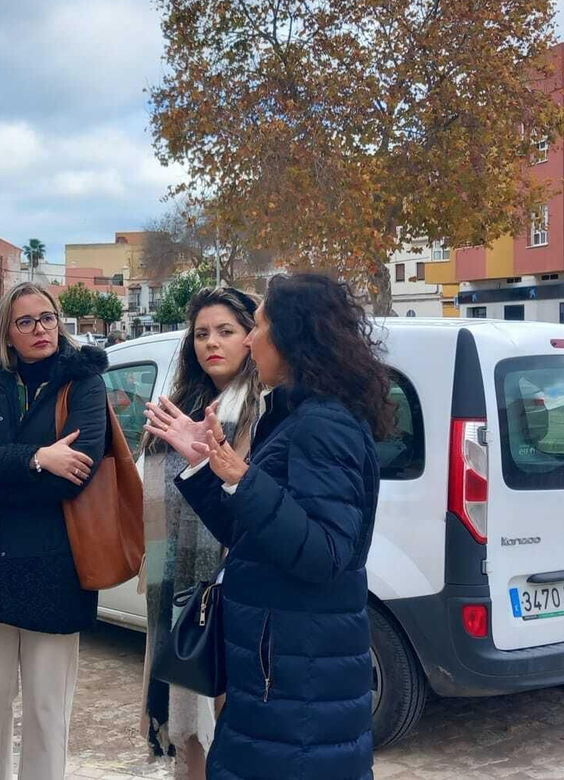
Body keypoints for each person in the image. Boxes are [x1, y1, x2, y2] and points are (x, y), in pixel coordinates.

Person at [145, 273, 390, 780]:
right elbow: (249, 538)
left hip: (297, 681)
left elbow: (327, 551)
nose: (249, 340)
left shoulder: (324, 424)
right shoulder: (296, 415)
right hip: (276, 672)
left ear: (293, 336)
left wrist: (242, 477)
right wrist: (206, 466)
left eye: (256, 327)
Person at [0, 282, 109, 780]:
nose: (40, 329)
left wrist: (5, 476)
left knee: (46, 708)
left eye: (47, 318)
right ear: (6, 332)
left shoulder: (84, 381)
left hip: (55, 565)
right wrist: (39, 458)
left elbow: (77, 472)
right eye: (26, 321)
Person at [141, 287, 262, 780]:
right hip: (178, 585)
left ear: (253, 336)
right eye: (201, 334)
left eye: (226, 331)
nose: (211, 343)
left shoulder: (263, 407)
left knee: (228, 720)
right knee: (187, 719)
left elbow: (253, 499)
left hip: (235, 590)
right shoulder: (185, 404)